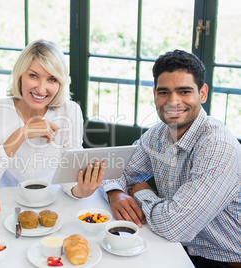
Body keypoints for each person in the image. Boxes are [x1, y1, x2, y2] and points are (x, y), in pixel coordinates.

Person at [102, 50, 241, 268]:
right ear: (155, 94)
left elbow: (175, 226)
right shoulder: (158, 134)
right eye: (164, 92)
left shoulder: (217, 145)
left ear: (202, 93)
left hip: (223, 259)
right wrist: (115, 192)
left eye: (184, 91)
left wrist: (142, 192)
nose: (173, 101)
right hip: (178, 247)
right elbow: (117, 170)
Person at [0, 39, 105, 198]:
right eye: (33, 76)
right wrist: (21, 134)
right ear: (20, 75)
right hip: (5, 204)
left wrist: (81, 191)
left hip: (52, 201)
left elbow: (70, 176)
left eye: (52, 79)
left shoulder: (70, 111)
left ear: (60, 83)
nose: (41, 89)